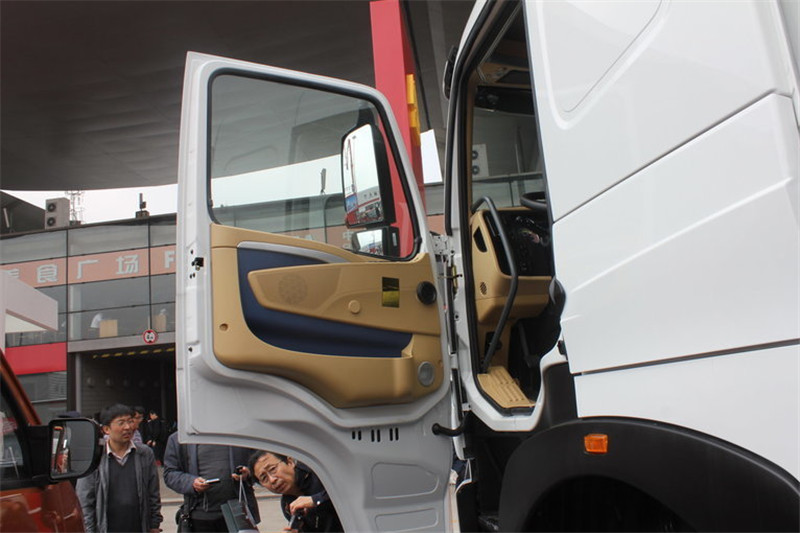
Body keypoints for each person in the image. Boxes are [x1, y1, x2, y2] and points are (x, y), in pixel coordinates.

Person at [76, 404, 162, 533]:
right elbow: (85, 500)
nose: (127, 427)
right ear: (106, 429)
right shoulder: (94, 457)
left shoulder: (144, 454)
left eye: (130, 421)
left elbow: (153, 493)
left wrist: (154, 524)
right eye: (121, 423)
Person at [163, 432, 260, 532]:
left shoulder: (241, 433)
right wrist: (191, 483)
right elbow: (170, 474)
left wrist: (248, 472)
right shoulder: (180, 438)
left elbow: (261, 462)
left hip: (238, 515)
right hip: (199, 517)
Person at [249, 450, 342, 532]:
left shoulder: (319, 474)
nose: (272, 480)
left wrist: (315, 500)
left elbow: (348, 492)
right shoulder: (287, 505)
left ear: (290, 462)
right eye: (264, 478)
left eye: (273, 469)